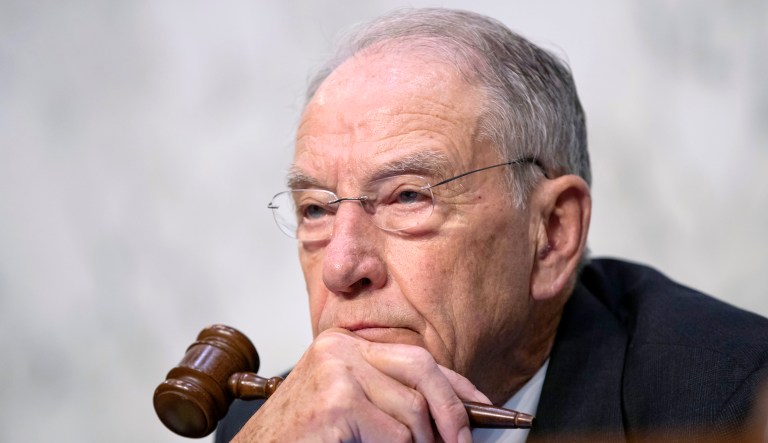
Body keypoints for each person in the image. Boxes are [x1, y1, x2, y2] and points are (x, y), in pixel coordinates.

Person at [216, 8, 768, 443]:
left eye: (407, 197)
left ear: (551, 234)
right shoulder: (272, 423)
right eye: (316, 209)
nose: (341, 267)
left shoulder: (733, 403)